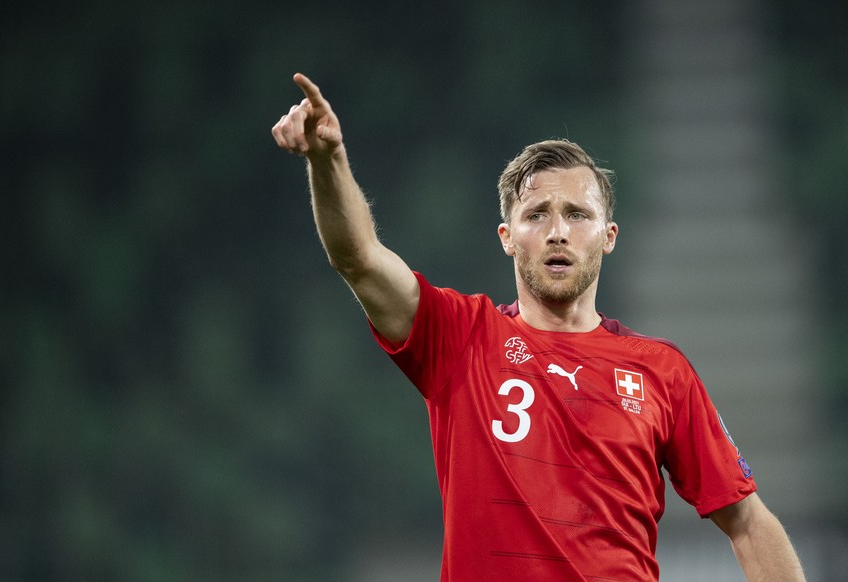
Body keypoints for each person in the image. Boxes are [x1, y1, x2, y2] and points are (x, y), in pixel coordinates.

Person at [272, 72, 806, 581]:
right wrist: (329, 160)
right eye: (536, 215)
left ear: (609, 235)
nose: (557, 232)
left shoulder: (661, 371)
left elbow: (749, 523)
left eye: (577, 214)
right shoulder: (461, 336)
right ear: (507, 235)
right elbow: (359, 258)